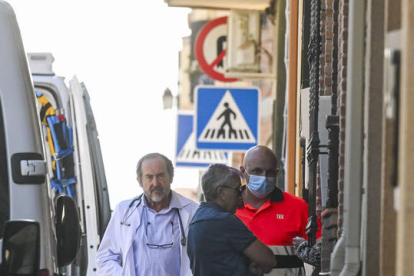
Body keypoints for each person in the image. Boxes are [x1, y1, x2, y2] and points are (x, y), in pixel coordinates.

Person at [96, 153, 199, 276]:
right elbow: (105, 258)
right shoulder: (124, 212)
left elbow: (205, 258)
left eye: (160, 176)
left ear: (171, 177)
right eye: (149, 177)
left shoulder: (192, 211)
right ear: (140, 181)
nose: (155, 183)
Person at [236, 146, 319, 276]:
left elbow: (324, 253)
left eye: (269, 172)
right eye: (257, 171)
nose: (264, 177)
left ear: (277, 173)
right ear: (243, 171)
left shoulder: (298, 207)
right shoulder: (229, 210)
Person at [187, 164, 276, 276]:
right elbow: (268, 260)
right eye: (239, 189)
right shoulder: (224, 221)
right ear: (222, 193)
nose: (241, 196)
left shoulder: (197, 219)